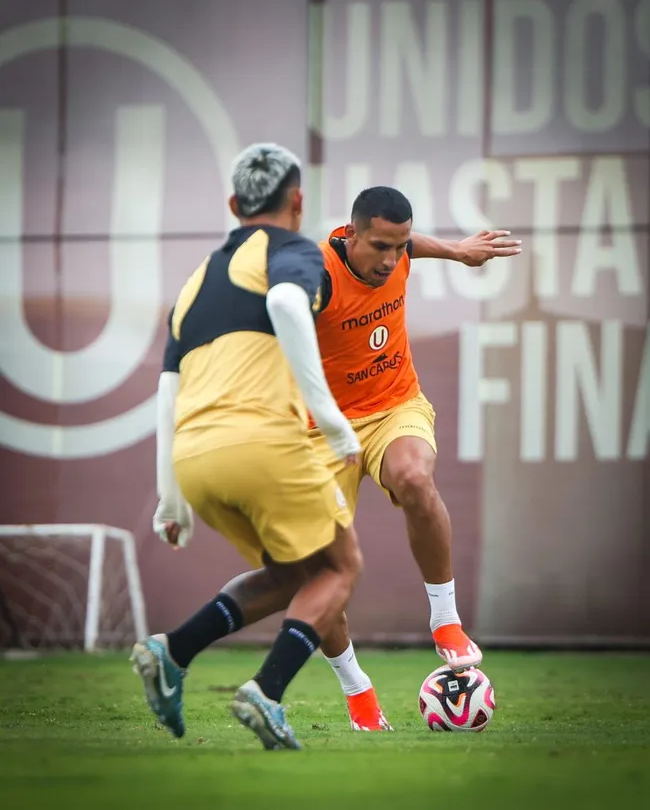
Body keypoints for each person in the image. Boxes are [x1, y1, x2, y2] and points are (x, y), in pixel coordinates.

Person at [132, 143, 363, 751]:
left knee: (293, 573)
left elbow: (167, 389)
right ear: (298, 201)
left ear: (234, 205)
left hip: (196, 458)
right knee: (341, 567)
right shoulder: (291, 249)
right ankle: (266, 691)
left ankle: (172, 649)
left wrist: (170, 498)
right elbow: (287, 302)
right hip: (262, 443)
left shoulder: (192, 284)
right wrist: (333, 420)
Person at [310, 186, 523, 731]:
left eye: (399, 247)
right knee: (321, 573)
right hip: (319, 429)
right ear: (350, 234)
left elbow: (410, 246)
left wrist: (455, 250)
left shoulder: (398, 251)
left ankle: (446, 620)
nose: (391, 259)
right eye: (380, 246)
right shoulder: (314, 274)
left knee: (413, 476)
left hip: (393, 405)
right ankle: (359, 693)